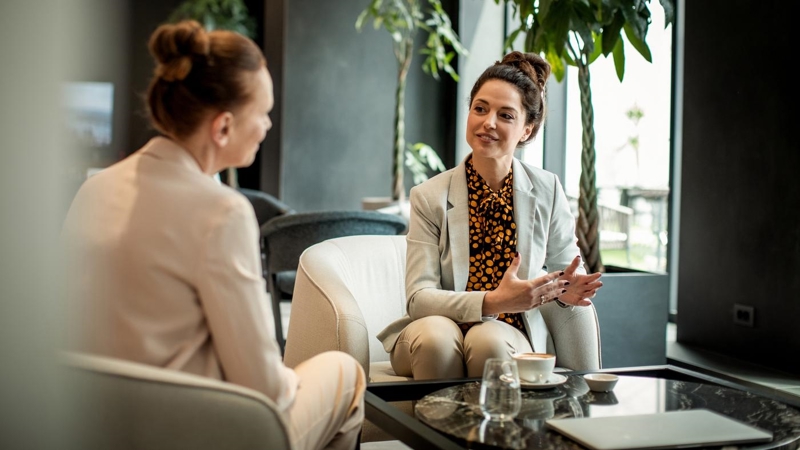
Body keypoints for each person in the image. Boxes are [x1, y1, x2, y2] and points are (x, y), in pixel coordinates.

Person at [61, 20, 365, 450]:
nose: (267, 126)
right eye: (263, 113)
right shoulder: (222, 211)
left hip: (91, 422)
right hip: (193, 430)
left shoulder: (94, 189)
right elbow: (264, 388)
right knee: (345, 373)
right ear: (223, 128)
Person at [377, 51, 603, 380]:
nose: (488, 122)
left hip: (509, 331)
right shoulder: (429, 196)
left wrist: (567, 292)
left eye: (506, 115)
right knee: (436, 341)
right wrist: (492, 301)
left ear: (527, 129)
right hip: (433, 325)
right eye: (480, 108)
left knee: (488, 342)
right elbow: (419, 298)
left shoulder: (547, 190)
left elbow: (566, 268)